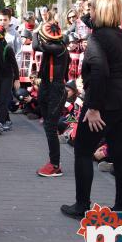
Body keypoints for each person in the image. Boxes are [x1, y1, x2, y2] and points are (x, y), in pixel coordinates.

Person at [61, 0, 122, 219]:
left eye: (93, 8)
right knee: (121, 155)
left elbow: (99, 72)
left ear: (100, 11)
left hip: (106, 103)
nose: (90, 12)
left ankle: (81, 206)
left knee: (83, 151)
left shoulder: (98, 38)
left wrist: (94, 107)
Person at [32, 21, 69, 177]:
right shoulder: (54, 45)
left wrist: (35, 31)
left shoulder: (58, 47)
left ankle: (55, 165)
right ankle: (53, 161)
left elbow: (35, 45)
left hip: (56, 90)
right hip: (47, 87)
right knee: (49, 127)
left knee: (50, 127)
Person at [0, 24, 20, 133]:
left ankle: (1, 123)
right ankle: (7, 119)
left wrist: (17, 79)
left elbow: (14, 65)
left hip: (7, 77)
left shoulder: (7, 48)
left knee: (3, 99)